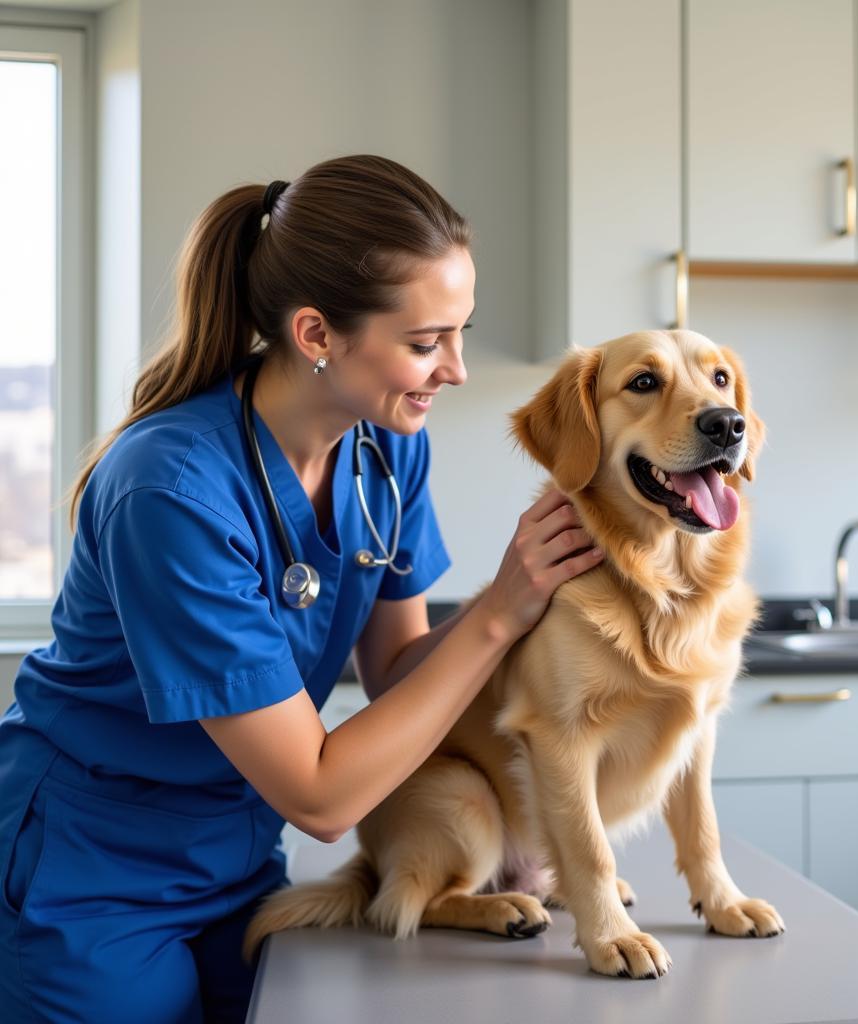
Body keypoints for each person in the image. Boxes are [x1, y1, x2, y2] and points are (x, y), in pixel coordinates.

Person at [0, 154, 604, 1023]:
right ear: (318, 335)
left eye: (460, 333)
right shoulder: (170, 490)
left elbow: (398, 669)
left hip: (239, 860)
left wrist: (542, 609)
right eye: (426, 343)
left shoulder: (387, 445)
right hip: (92, 870)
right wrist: (499, 611)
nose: (456, 370)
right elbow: (321, 795)